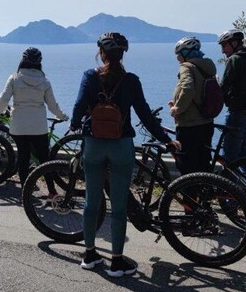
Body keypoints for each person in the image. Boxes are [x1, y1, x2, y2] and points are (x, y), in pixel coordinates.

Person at [71, 32, 181, 278]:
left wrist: (76, 123)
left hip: (94, 144)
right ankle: (117, 262)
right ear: (123, 54)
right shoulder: (131, 80)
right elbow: (145, 115)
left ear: (101, 53)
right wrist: (167, 140)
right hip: (122, 145)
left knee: (91, 201)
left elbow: (78, 107)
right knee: (119, 206)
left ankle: (89, 255)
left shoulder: (90, 76)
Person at [0, 47, 68, 185]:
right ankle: (52, 191)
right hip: (39, 127)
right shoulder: (45, 82)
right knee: (44, 159)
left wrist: (1, 112)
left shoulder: (14, 78)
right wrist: (63, 116)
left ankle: (25, 191)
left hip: (19, 126)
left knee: (23, 158)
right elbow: (52, 106)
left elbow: (3, 100)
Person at [218, 29, 246, 180]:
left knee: (229, 159)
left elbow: (223, 87)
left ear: (234, 43)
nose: (223, 50)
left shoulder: (235, 60)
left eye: (224, 45)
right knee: (243, 156)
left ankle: (230, 199)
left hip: (237, 115)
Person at [168, 36, 217, 174]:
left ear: (186, 54)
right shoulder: (208, 67)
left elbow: (187, 87)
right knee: (203, 163)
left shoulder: (187, 67)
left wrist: (177, 108)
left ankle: (190, 195)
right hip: (206, 122)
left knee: (186, 166)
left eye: (179, 54)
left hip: (189, 125)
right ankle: (204, 193)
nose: (178, 58)